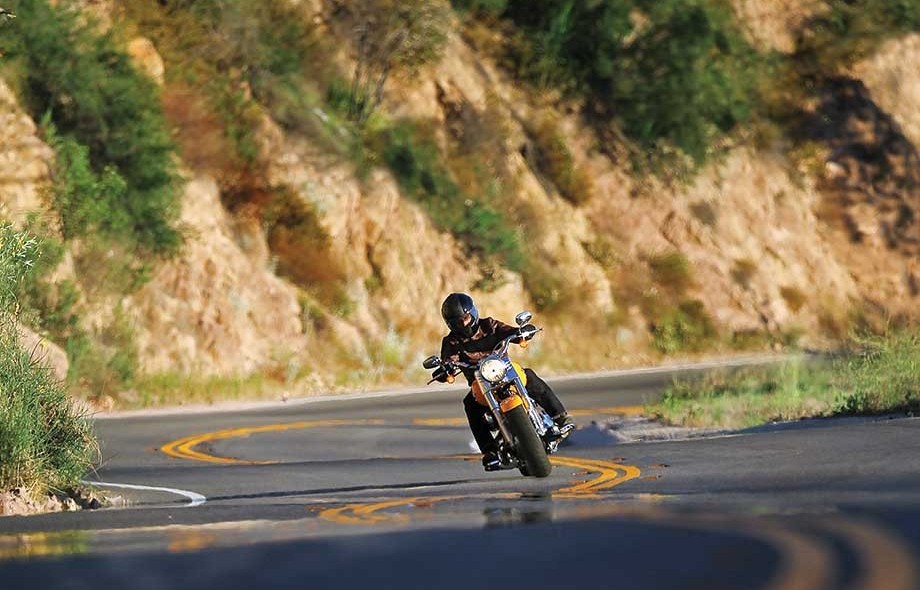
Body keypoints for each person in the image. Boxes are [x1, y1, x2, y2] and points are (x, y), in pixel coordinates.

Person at [436, 292, 575, 471]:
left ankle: (560, 417)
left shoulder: (489, 325)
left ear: (473, 313)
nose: (463, 324)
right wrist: (445, 368)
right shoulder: (451, 342)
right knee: (469, 404)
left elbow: (509, 332)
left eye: (465, 318)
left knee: (529, 375)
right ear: (450, 324)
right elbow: (448, 359)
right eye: (456, 322)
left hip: (505, 371)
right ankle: (489, 450)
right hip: (480, 383)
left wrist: (521, 333)